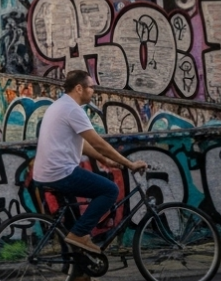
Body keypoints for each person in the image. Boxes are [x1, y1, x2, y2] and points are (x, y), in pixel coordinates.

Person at [32, 71, 147, 254]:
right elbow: (97, 142)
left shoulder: (61, 105)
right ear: (79, 88)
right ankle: (80, 234)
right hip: (60, 173)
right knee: (110, 190)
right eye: (91, 87)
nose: (94, 91)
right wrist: (129, 164)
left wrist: (104, 160)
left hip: (47, 172)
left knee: (74, 221)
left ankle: (80, 269)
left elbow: (83, 143)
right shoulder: (72, 109)